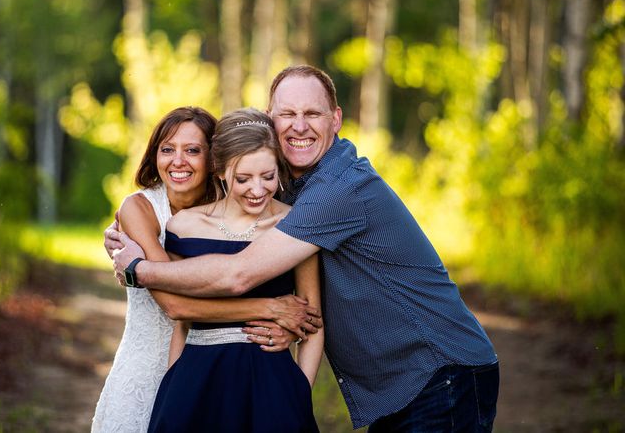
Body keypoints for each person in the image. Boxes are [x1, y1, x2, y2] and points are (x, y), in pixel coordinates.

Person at [108, 65, 499, 432]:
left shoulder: (338, 189)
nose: (299, 126)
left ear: (336, 119)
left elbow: (240, 273)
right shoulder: (292, 187)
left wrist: (138, 268)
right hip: (402, 381)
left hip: (440, 371)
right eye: (287, 114)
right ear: (269, 119)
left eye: (313, 114)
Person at [92, 107, 321, 433]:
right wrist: (272, 309)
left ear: (213, 160)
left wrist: (297, 388)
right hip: (170, 362)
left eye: (192, 150)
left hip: (253, 372)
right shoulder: (165, 219)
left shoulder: (278, 218)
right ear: (224, 171)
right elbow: (177, 307)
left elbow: (311, 318)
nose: (178, 161)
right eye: (167, 149)